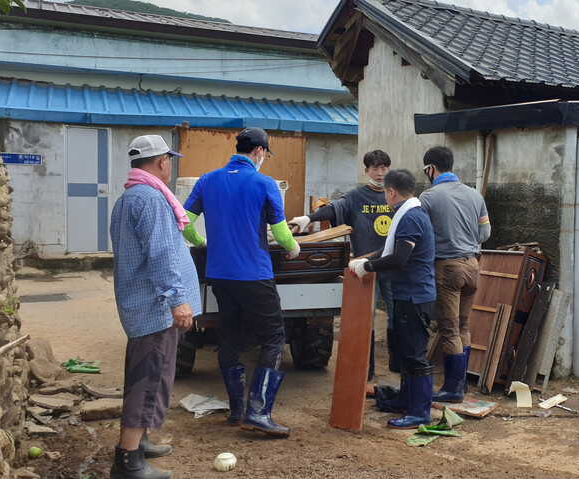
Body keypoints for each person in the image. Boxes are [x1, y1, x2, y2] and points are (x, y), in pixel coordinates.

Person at [182, 126, 299, 437]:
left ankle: (236, 410)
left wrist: (201, 242)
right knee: (273, 338)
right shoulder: (265, 183)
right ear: (259, 152)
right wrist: (293, 247)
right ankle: (258, 412)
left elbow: (185, 222)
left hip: (219, 274)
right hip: (255, 274)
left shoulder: (207, 180)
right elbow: (283, 233)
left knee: (230, 337)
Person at [109, 135, 202, 479]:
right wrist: (178, 299)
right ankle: (129, 462)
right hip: (155, 307)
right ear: (162, 162)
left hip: (143, 304)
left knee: (144, 376)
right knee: (148, 380)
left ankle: (140, 442)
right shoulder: (151, 199)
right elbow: (161, 254)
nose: (171, 164)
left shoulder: (131, 196)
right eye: (170, 159)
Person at [289, 150, 397, 378]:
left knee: (397, 319)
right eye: (375, 168)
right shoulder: (356, 197)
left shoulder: (396, 195)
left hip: (395, 267)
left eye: (384, 168)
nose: (380, 173)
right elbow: (334, 209)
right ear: (366, 170)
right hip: (366, 267)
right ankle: (365, 372)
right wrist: (309, 218)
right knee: (366, 320)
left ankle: (398, 366)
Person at [348, 169, 436, 429]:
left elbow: (399, 258)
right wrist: (366, 259)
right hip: (407, 294)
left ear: (392, 192)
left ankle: (420, 412)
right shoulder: (409, 213)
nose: (385, 196)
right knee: (407, 353)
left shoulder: (410, 218)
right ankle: (406, 399)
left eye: (385, 192)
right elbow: (389, 249)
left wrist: (369, 268)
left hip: (414, 296)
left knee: (415, 354)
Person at [419, 146, 490, 403]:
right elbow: (486, 233)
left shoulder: (428, 197)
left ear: (431, 169)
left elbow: (421, 236)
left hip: (447, 269)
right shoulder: (475, 195)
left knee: (449, 329)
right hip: (473, 266)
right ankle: (460, 385)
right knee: (463, 325)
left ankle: (453, 389)